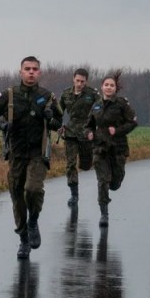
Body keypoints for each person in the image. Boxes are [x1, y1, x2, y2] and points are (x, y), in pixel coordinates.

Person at [0, 56, 63, 259]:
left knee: (33, 189)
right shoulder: (9, 95)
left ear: (39, 73)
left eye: (35, 69)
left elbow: (58, 122)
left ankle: (34, 220)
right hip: (16, 154)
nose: (31, 72)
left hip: (37, 153)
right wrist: (1, 125)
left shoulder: (48, 97)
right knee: (17, 197)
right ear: (20, 72)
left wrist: (50, 119)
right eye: (27, 69)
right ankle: (23, 239)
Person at [84, 73, 137, 228]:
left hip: (118, 148)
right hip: (100, 148)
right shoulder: (96, 105)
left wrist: (118, 130)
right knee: (103, 181)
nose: (108, 87)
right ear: (102, 87)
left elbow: (133, 123)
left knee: (114, 183)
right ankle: (104, 213)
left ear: (116, 88)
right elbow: (87, 125)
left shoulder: (122, 104)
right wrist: (88, 133)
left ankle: (115, 182)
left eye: (111, 85)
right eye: (106, 85)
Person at [57, 68, 99, 208]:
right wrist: (59, 124)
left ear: (86, 81)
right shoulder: (66, 94)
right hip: (70, 132)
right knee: (70, 164)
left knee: (86, 165)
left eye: (82, 81)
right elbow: (58, 112)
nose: (79, 84)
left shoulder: (92, 94)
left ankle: (87, 163)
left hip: (86, 133)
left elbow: (101, 109)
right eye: (77, 81)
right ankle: (74, 194)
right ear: (73, 79)